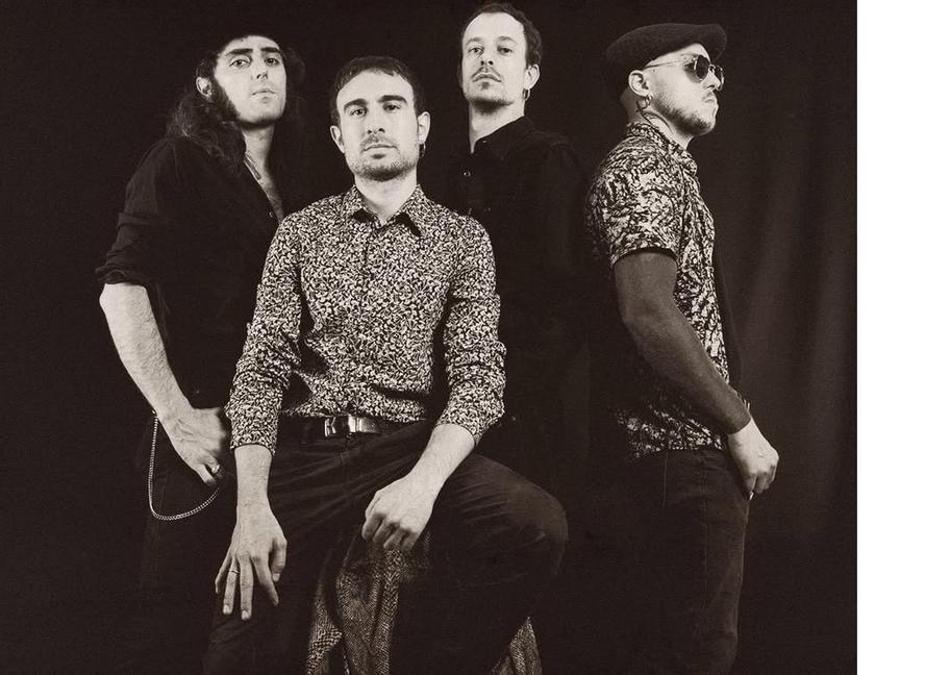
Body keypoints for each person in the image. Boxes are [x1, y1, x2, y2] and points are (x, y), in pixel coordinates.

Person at [203, 56, 567, 674]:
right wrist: (252, 507)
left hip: (407, 448)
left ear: (421, 128)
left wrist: (423, 485)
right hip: (306, 457)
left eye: (391, 107)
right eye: (357, 111)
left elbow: (479, 379)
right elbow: (261, 370)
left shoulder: (462, 240)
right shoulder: (299, 233)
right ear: (339, 138)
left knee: (536, 524)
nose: (374, 122)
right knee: (236, 651)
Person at [96, 32, 307, 672]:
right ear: (206, 85)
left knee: (257, 628)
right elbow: (120, 289)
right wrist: (177, 415)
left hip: (283, 431)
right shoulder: (180, 160)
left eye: (272, 60)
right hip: (204, 431)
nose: (261, 71)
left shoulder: (300, 180)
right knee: (173, 625)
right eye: (240, 61)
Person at [584, 23, 780, 673]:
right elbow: (647, 311)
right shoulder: (644, 166)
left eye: (717, 71)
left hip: (680, 458)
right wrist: (739, 423)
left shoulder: (668, 169)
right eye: (696, 67)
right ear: (642, 85)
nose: (715, 80)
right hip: (678, 456)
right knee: (697, 655)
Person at [445, 2, 587, 489]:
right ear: (460, 73)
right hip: (448, 411)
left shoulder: (549, 160)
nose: (486, 58)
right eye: (475, 49)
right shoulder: (450, 175)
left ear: (530, 76)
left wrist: (509, 392)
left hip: (522, 415)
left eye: (504, 50)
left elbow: (567, 301)